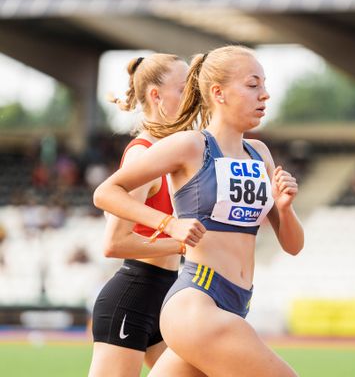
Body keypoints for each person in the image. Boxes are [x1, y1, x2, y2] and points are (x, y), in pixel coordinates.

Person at [94, 45, 304, 377]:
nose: (264, 95)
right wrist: (169, 224)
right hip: (196, 304)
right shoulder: (191, 146)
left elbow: (293, 246)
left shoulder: (260, 153)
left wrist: (285, 208)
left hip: (235, 305)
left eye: (264, 85)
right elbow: (106, 192)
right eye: (253, 85)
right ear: (218, 93)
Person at [88, 53, 190, 377]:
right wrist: (180, 244)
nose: (192, 97)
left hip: (167, 298)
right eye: (184, 88)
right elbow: (114, 243)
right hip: (132, 298)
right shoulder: (143, 155)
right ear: (155, 96)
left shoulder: (173, 153)